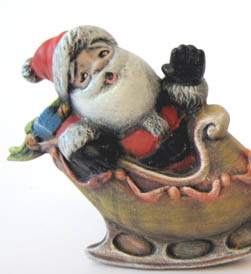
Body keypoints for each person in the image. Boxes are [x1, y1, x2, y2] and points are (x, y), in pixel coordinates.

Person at [22, 25, 207, 180]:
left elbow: (190, 103)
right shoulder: (91, 125)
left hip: (197, 149)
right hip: (148, 178)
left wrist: (186, 79)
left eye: (103, 53)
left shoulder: (157, 92)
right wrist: (86, 152)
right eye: (84, 76)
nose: (99, 66)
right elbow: (72, 141)